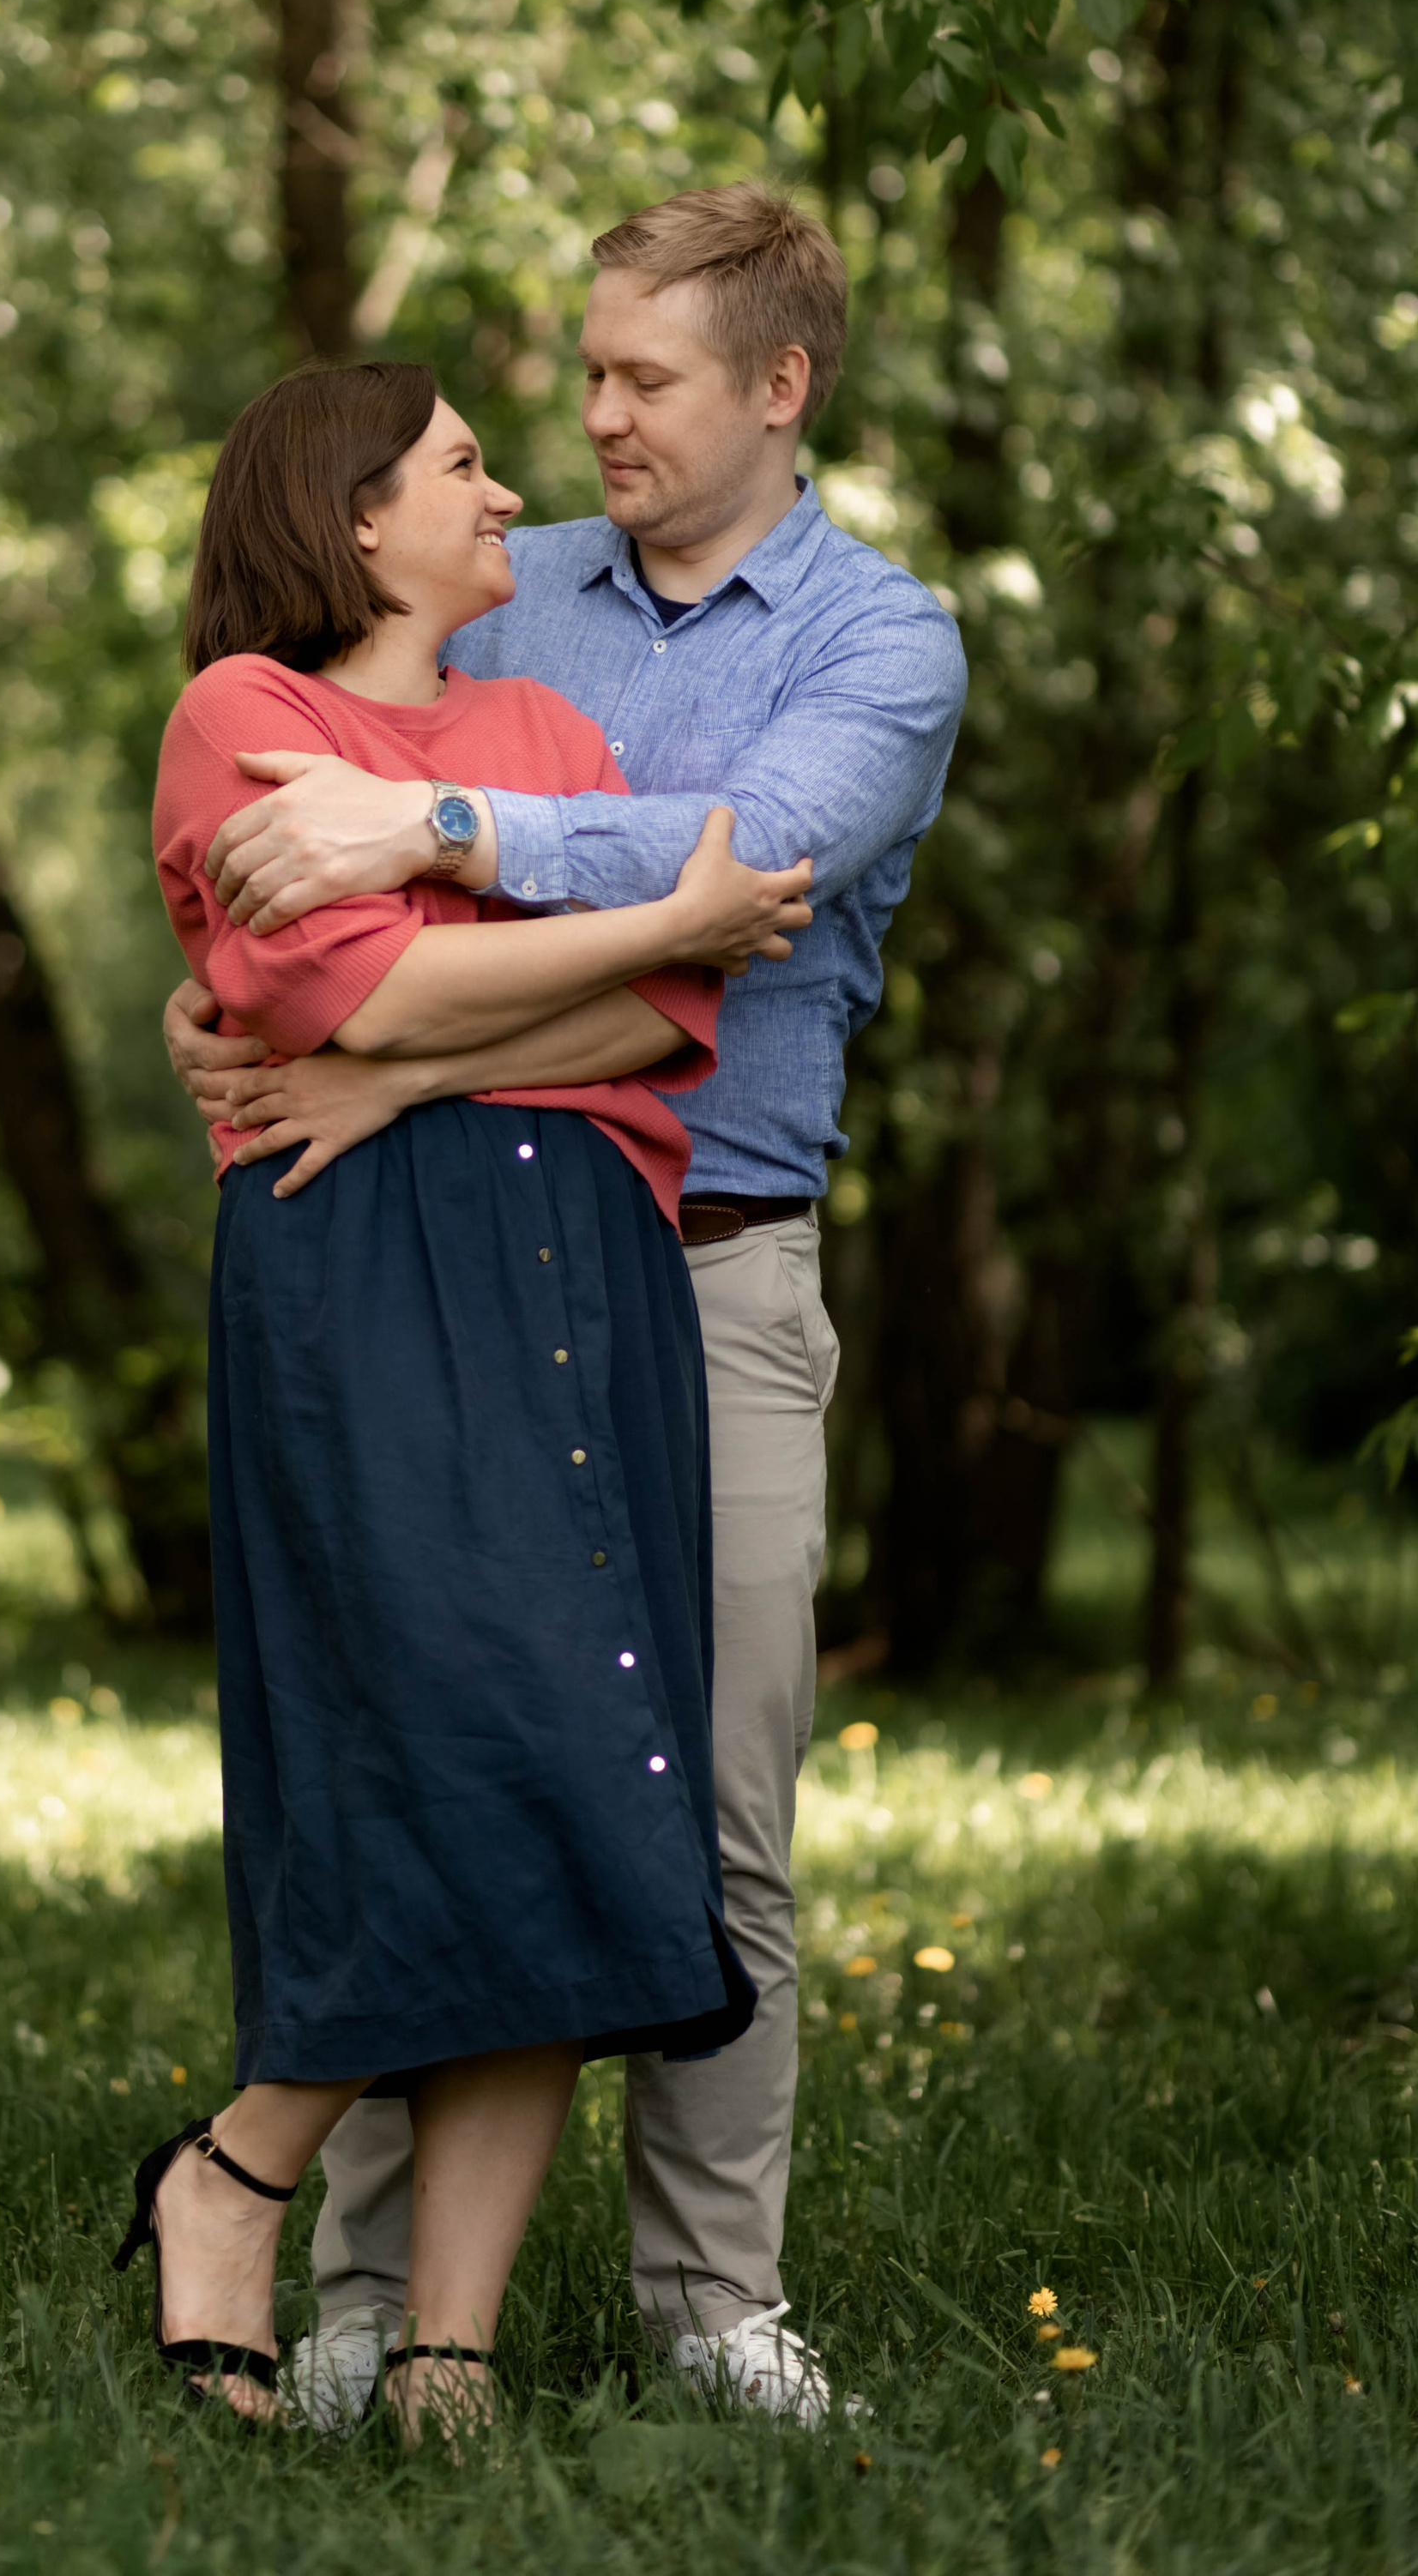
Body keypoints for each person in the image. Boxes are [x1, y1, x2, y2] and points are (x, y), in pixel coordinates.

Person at [165, 184, 967, 2425]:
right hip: (441, 1254)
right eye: (586, 371)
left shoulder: (881, 644)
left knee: (707, 1801)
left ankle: (715, 2309)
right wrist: (299, 1013)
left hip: (714, 1273)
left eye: (643, 379)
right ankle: (371, 2303)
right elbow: (317, 898)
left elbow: (740, 877)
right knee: (433, 1753)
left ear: (777, 389)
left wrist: (424, 851)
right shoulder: (524, 629)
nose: (589, 415)